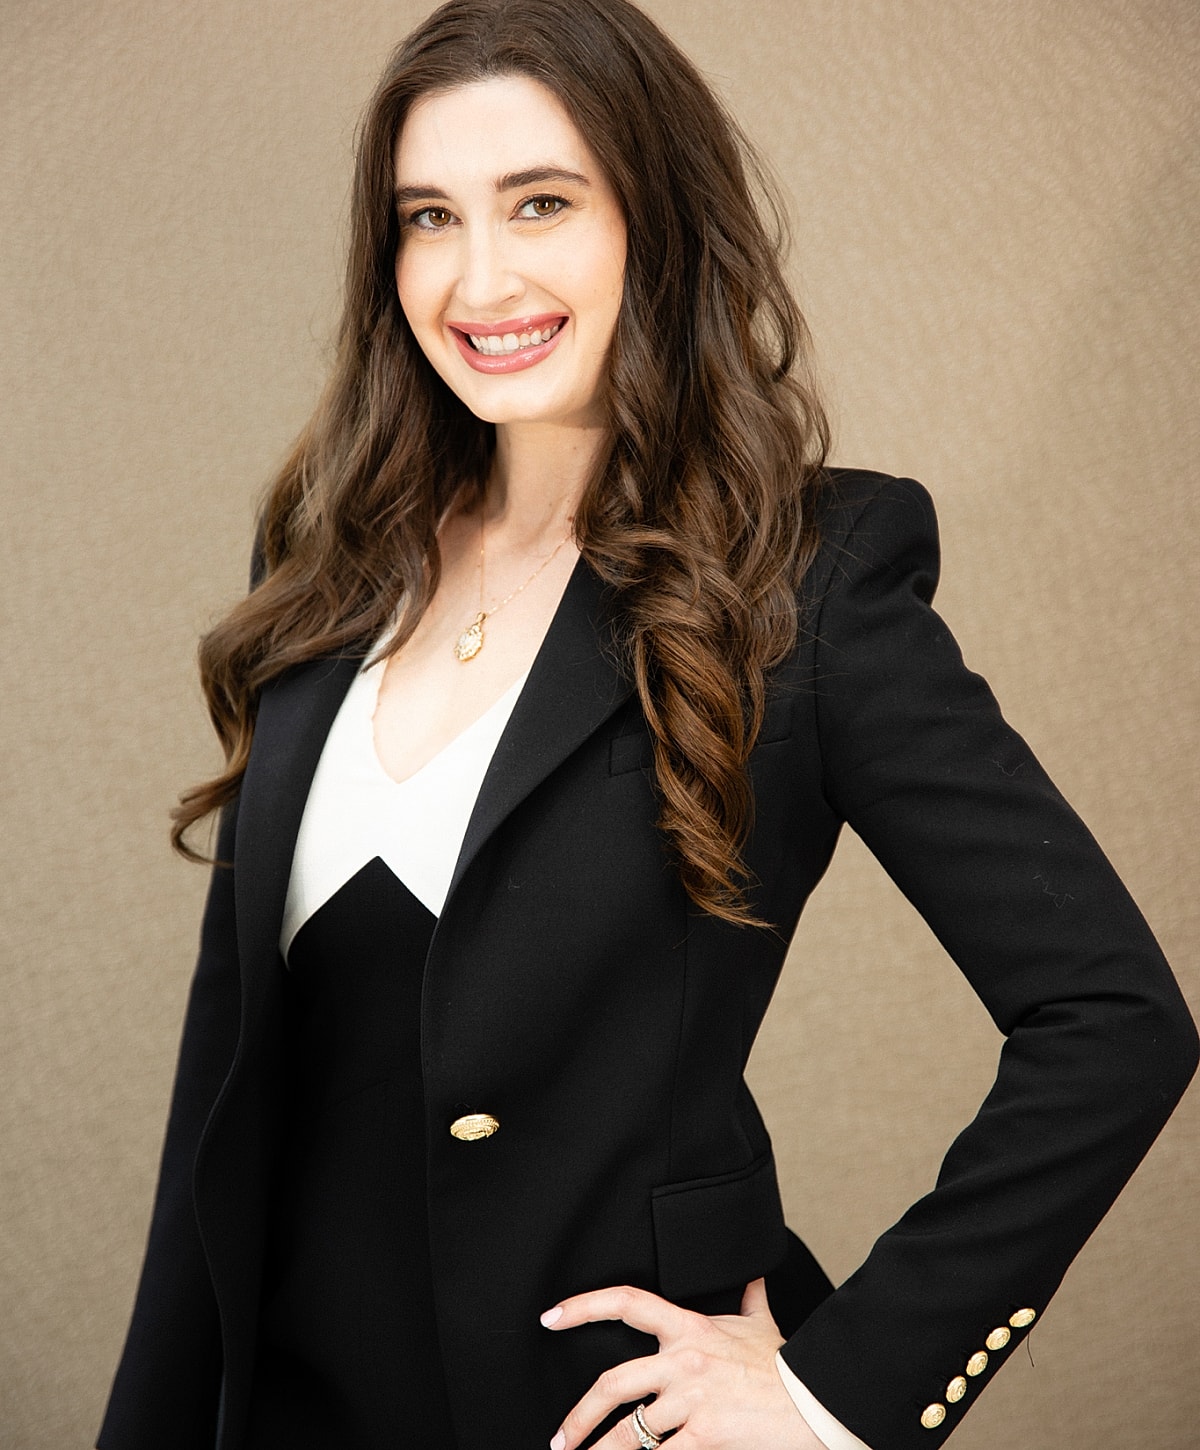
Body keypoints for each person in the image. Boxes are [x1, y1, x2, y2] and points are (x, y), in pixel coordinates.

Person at [97, 1, 1197, 1447]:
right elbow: (224, 1091)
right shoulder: (326, 559)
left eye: (541, 202)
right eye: (430, 216)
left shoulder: (808, 580)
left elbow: (1112, 1019)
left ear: (655, 221)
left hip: (600, 1422)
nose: (479, 276)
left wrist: (827, 1391)